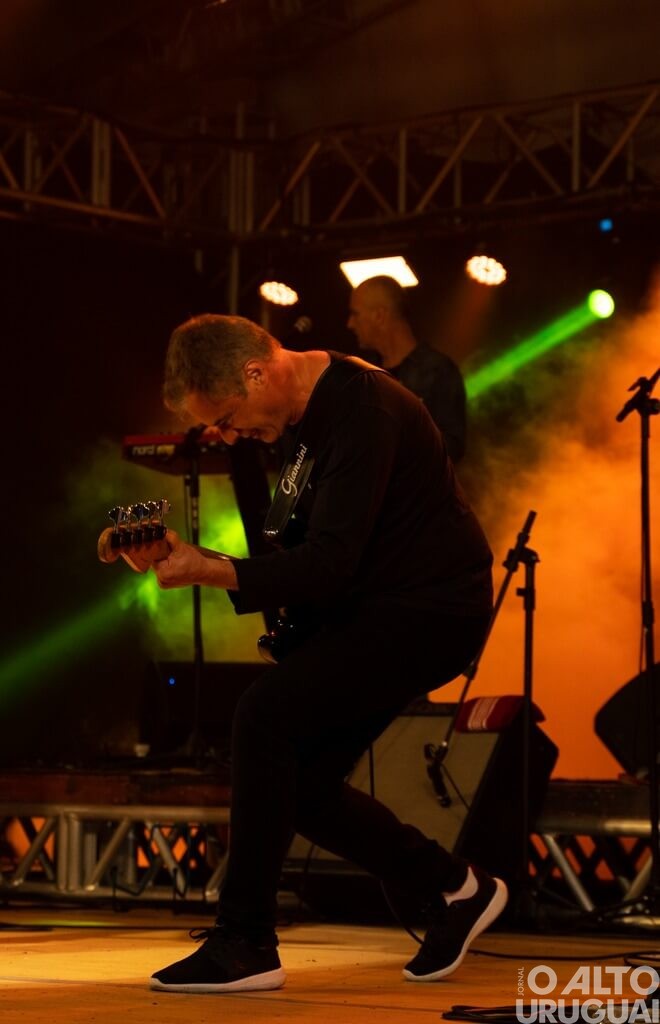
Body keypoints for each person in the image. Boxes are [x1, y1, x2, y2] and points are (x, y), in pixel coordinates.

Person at [138, 313, 506, 995]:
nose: (227, 436)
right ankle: (455, 887)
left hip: (431, 611)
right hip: (379, 608)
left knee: (263, 715)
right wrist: (187, 558)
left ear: (255, 373)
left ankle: (244, 940)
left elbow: (332, 562)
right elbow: (303, 550)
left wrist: (209, 571)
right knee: (298, 787)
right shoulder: (303, 420)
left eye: (225, 419)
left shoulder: (364, 409)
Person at [347, 275, 467, 462]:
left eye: (356, 314)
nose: (350, 324)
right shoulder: (363, 375)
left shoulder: (438, 370)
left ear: (379, 316)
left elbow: (453, 446)